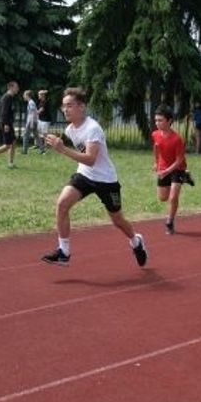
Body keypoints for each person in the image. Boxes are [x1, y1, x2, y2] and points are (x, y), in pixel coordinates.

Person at [40, 87, 147, 268]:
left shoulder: (93, 128)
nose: (65, 109)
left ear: (82, 107)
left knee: (117, 220)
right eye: (63, 106)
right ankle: (63, 252)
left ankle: (136, 241)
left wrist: (62, 149)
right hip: (84, 175)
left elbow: (90, 159)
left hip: (106, 180)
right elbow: (85, 162)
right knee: (62, 204)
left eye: (69, 106)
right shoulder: (69, 129)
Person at [151, 105, 194, 235]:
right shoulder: (155, 134)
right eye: (156, 120)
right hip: (163, 168)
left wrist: (167, 171)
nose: (157, 123)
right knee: (163, 198)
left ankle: (170, 221)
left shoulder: (177, 139)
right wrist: (156, 162)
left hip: (177, 168)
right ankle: (186, 177)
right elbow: (156, 147)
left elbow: (179, 160)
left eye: (160, 120)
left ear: (169, 121)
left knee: (173, 197)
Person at [22, 89, 40, 154]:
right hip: (33, 121)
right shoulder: (31, 102)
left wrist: (32, 123)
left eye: (24, 95)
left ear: (27, 95)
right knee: (36, 136)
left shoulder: (31, 102)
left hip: (31, 122)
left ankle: (24, 151)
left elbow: (32, 113)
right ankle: (42, 150)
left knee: (25, 135)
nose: (23, 96)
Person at [35, 89, 50, 153]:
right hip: (40, 119)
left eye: (39, 94)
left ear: (42, 95)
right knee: (40, 133)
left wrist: (34, 113)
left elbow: (41, 110)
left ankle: (45, 147)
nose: (38, 95)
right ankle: (40, 146)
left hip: (45, 120)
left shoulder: (45, 102)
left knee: (44, 134)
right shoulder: (40, 101)